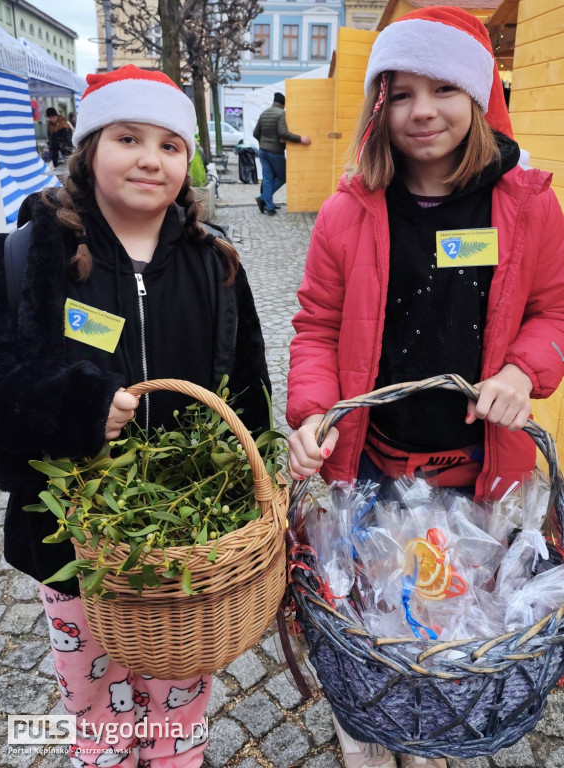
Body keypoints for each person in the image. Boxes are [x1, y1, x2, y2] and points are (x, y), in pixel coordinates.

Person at [286, 6, 564, 768]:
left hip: (480, 479)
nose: (420, 111)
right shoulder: (350, 210)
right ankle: (376, 734)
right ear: (379, 105)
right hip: (374, 471)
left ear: (477, 95)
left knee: (454, 620)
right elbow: (316, 325)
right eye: (398, 91)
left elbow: (554, 311)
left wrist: (520, 370)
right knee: (377, 618)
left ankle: (435, 730)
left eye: (442, 87)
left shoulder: (528, 205)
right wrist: (314, 416)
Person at [0, 65, 270, 768]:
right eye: (127, 137)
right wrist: (82, 412)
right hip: (72, 547)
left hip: (189, 553)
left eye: (170, 145)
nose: (150, 158)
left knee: (180, 692)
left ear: (188, 161)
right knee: (94, 698)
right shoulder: (33, 257)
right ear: (89, 149)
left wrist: (260, 489)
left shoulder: (217, 264)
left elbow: (249, 397)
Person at [253, 91, 311, 215]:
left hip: (263, 151)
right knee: (283, 176)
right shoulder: (281, 114)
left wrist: (262, 143)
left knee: (268, 178)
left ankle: (269, 206)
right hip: (275, 152)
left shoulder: (264, 113)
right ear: (283, 104)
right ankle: (263, 198)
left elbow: (255, 133)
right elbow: (283, 133)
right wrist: (301, 139)